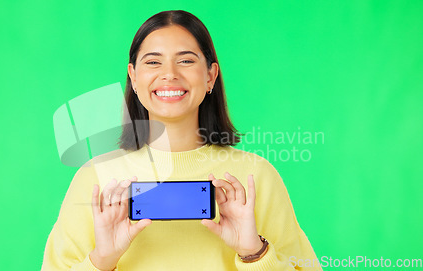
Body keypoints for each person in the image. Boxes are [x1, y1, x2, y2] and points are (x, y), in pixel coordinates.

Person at [42, 10, 321, 271]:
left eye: (186, 60)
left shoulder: (254, 176)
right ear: (134, 78)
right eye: (153, 62)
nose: (170, 74)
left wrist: (254, 252)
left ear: (211, 75)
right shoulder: (96, 177)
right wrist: (102, 260)